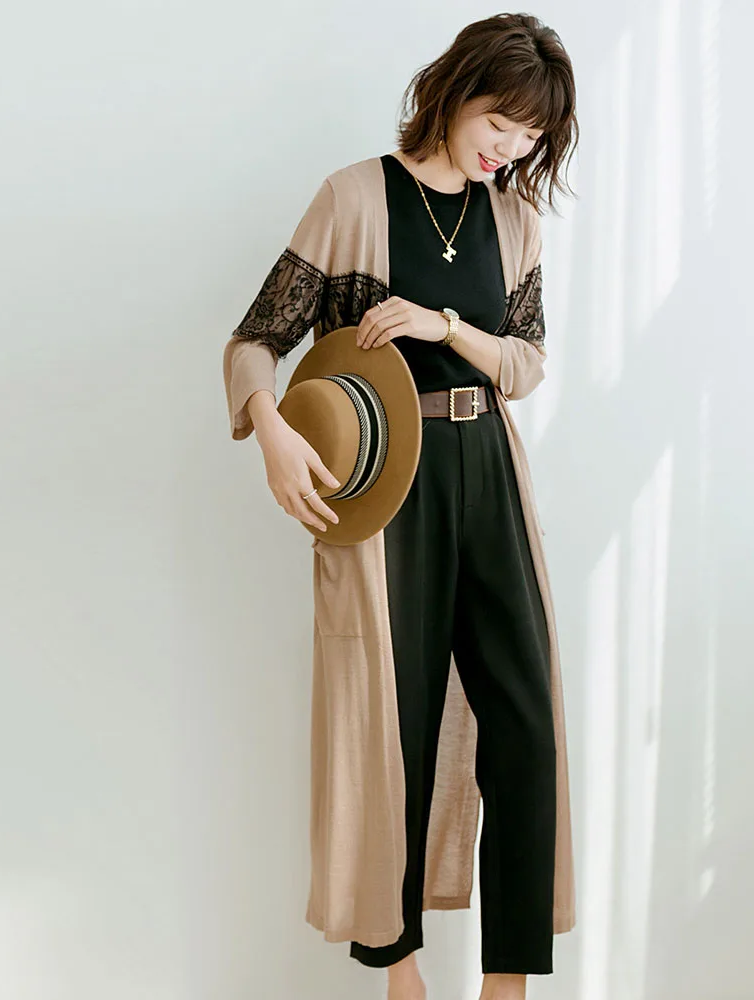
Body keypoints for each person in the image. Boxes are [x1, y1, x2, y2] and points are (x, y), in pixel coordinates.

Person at [222, 12, 579, 1000]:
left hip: (488, 468)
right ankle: (399, 968)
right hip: (385, 482)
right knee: (395, 717)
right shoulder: (353, 198)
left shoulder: (514, 220)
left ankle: (507, 981)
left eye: (530, 137)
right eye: (500, 122)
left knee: (525, 724)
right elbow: (255, 340)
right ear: (455, 91)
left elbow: (526, 364)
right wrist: (270, 428)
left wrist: (444, 324)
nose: (509, 148)